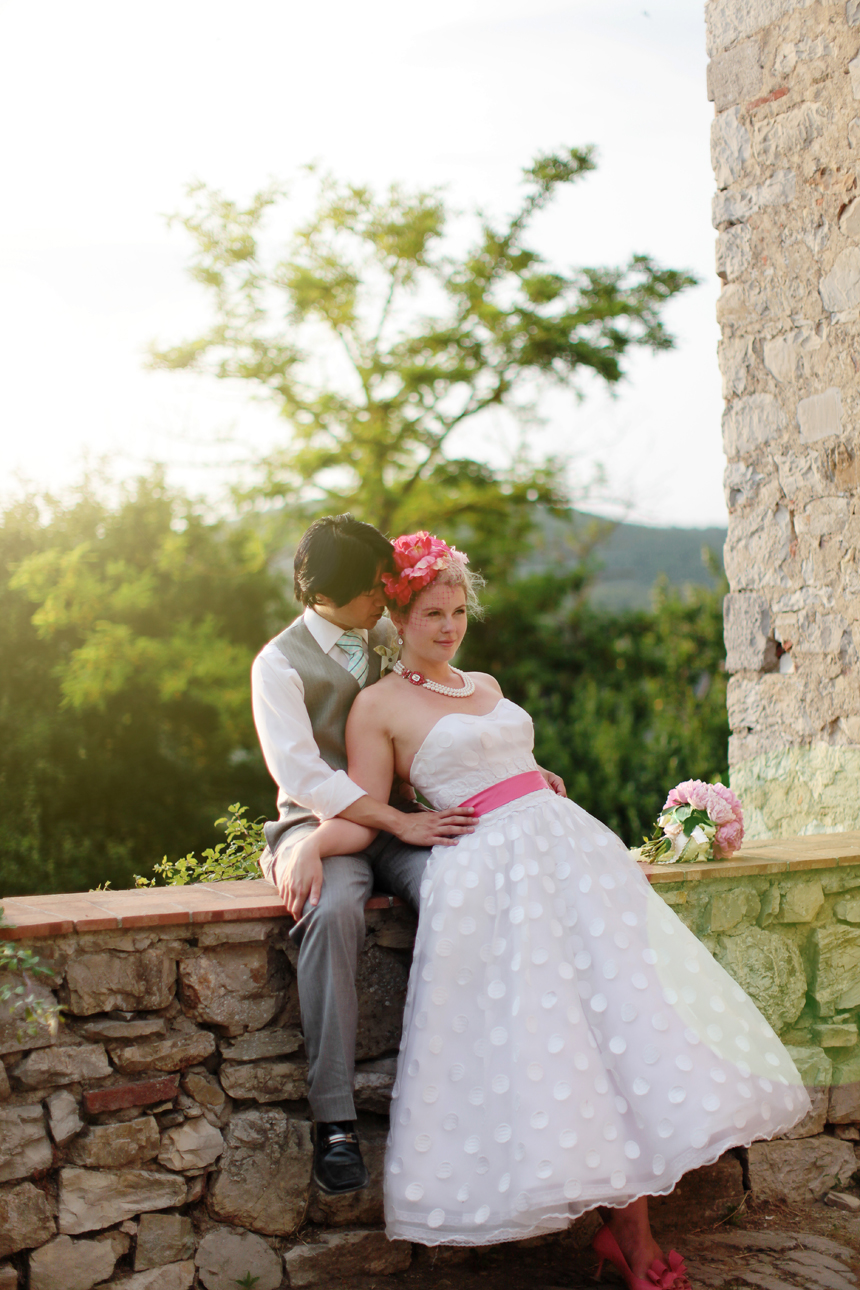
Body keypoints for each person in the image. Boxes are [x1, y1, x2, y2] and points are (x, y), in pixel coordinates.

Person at [300, 531, 810, 1289]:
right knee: (564, 1053)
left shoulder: (484, 682)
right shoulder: (377, 706)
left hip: (571, 859)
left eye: (459, 611)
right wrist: (306, 847)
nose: (449, 627)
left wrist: (535, 773)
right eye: (433, 613)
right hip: (494, 883)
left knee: (626, 1033)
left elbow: (503, 760)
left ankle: (629, 1238)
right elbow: (366, 809)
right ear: (397, 618)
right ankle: (633, 1245)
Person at [252, 515, 477, 1197]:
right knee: (332, 910)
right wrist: (389, 823)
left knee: (464, 887)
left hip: (401, 819)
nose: (386, 596)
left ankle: (470, 1086)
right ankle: (335, 1122)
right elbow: (303, 775)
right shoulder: (277, 665)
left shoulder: (389, 639)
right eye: (373, 588)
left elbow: (447, 710)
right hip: (321, 824)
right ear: (327, 593)